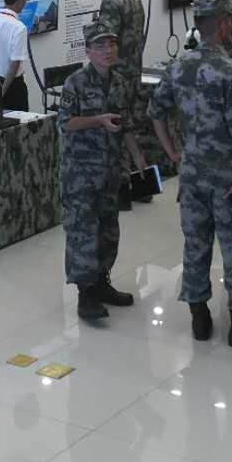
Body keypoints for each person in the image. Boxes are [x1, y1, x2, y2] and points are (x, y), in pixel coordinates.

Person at [149, 0, 232, 347]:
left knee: (195, 244)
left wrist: (173, 153)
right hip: (227, 176)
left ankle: (199, 317)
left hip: (191, 174)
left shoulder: (178, 66)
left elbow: (156, 112)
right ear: (225, 25)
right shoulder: (231, 70)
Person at [58, 22, 139, 319]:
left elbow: (125, 123)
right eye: (100, 45)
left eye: (112, 44)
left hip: (110, 170)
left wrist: (138, 157)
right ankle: (86, 294)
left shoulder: (121, 82)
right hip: (80, 173)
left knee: (108, 230)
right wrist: (98, 120)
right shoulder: (75, 83)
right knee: (83, 232)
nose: (108, 50)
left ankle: (102, 282)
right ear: (88, 51)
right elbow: (66, 123)